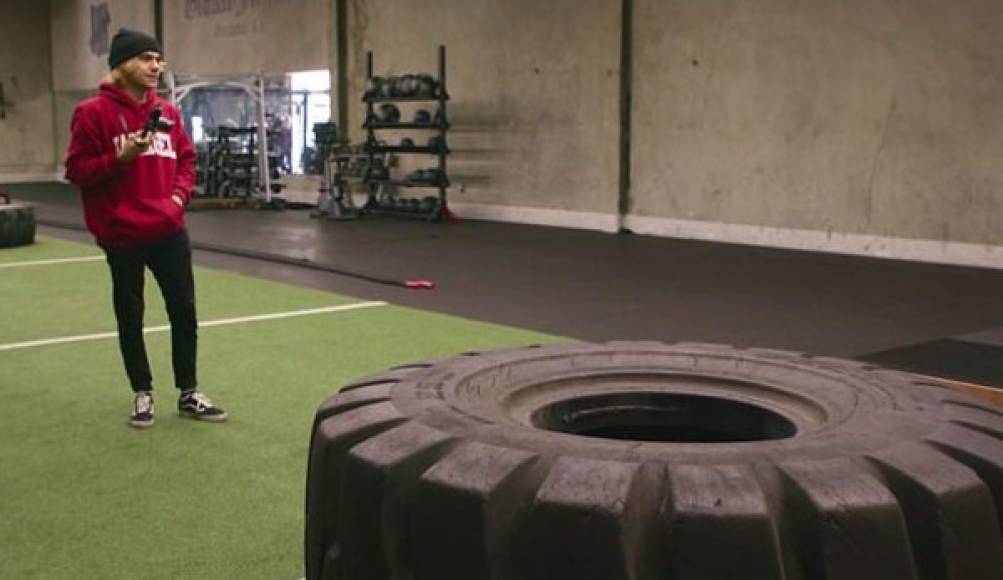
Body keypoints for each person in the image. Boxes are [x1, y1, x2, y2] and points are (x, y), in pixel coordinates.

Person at [65, 28, 226, 428]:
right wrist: (119, 158)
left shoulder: (167, 113)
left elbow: (186, 160)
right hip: (122, 234)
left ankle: (189, 392)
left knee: (184, 312)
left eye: (158, 59)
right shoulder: (92, 113)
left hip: (168, 230)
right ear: (122, 66)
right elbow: (76, 170)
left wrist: (177, 199)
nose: (155, 66)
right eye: (145, 58)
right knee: (130, 315)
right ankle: (143, 393)